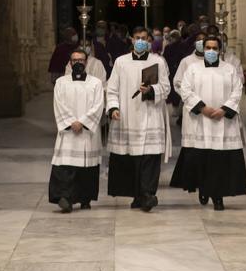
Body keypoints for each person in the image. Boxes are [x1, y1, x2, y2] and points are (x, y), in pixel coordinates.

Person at [170, 35, 246, 211]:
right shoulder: (193, 69)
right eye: (208, 48)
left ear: (220, 50)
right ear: (203, 49)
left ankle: (218, 197)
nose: (211, 51)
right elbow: (186, 90)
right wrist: (202, 108)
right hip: (200, 121)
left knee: (220, 162)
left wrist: (224, 109)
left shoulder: (229, 69)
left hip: (223, 123)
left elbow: (237, 91)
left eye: (215, 48)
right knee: (203, 159)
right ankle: (203, 189)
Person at [107, 26, 171, 211]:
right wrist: (113, 108)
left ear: (149, 40)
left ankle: (148, 194)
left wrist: (152, 90)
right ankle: (137, 195)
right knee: (131, 159)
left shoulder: (158, 61)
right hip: (127, 116)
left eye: (144, 38)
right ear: (132, 40)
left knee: (150, 157)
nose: (141, 41)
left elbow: (166, 88)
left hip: (150, 115)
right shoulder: (121, 62)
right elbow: (112, 89)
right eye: (137, 37)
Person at [49, 48, 105, 213]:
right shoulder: (61, 83)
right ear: (70, 63)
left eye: (81, 60)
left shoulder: (95, 83)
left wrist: (83, 122)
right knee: (66, 166)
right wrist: (71, 122)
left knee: (87, 167)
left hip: (87, 133)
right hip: (68, 132)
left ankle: (85, 199)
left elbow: (98, 105)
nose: (78, 63)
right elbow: (58, 104)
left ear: (86, 62)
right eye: (75, 60)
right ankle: (65, 198)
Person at [173, 28, 206, 97]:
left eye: (204, 40)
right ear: (194, 43)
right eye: (199, 40)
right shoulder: (186, 61)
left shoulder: (213, 61)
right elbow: (177, 82)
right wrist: (189, 96)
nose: (201, 42)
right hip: (191, 101)